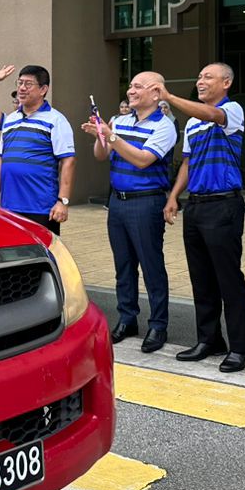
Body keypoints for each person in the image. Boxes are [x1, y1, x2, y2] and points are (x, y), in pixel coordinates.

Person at [158, 64, 245, 372]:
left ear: (226, 82)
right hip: (196, 206)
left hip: (223, 205)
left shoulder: (231, 109)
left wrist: (168, 96)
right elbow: (188, 162)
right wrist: (174, 197)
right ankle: (209, 339)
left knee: (228, 278)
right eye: (198, 77)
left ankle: (240, 347)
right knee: (202, 278)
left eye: (207, 77)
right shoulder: (193, 124)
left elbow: (213, 116)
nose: (200, 81)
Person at [81, 71, 177, 352]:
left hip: (146, 202)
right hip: (118, 202)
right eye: (131, 85)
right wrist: (102, 135)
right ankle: (127, 318)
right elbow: (101, 156)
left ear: (156, 93)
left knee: (151, 265)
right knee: (123, 266)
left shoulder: (165, 126)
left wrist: (111, 137)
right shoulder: (120, 121)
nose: (131, 91)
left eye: (138, 86)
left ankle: (158, 325)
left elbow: (143, 160)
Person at [0, 64, 75, 233]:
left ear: (43, 89)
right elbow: (1, 159)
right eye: (19, 83)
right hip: (9, 206)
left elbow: (68, 160)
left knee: (43, 255)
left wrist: (63, 201)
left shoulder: (56, 120)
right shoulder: (10, 120)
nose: (22, 88)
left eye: (28, 84)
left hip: (41, 208)